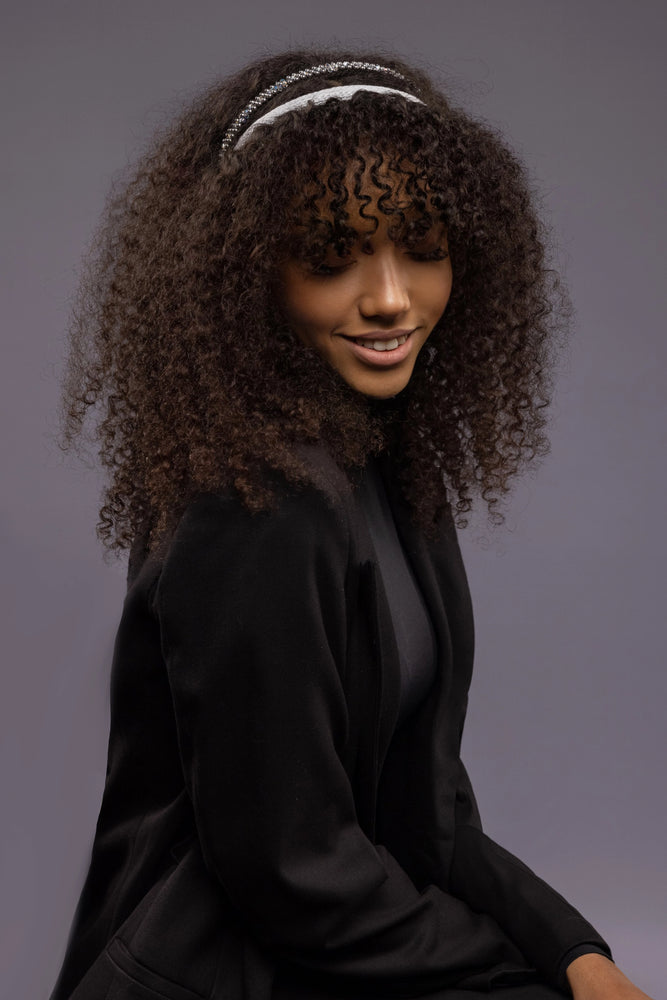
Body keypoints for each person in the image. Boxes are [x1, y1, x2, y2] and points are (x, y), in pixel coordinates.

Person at [49, 49, 653, 1000]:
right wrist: (513, 978)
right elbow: (292, 872)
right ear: (247, 275)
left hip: (348, 943)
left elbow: (428, 806)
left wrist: (573, 951)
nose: (388, 298)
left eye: (422, 247)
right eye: (331, 258)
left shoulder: (386, 467)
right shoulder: (251, 509)